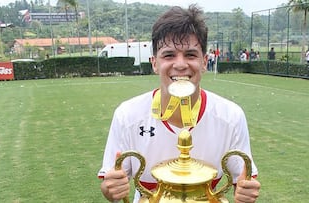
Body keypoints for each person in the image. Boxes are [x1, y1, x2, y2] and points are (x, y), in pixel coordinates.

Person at [98, 4, 260, 203]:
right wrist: (111, 187)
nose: (181, 64)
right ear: (155, 63)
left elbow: (243, 180)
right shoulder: (128, 115)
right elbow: (110, 184)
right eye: (169, 55)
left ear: (204, 62)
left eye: (190, 54)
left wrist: (245, 192)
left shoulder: (230, 116)